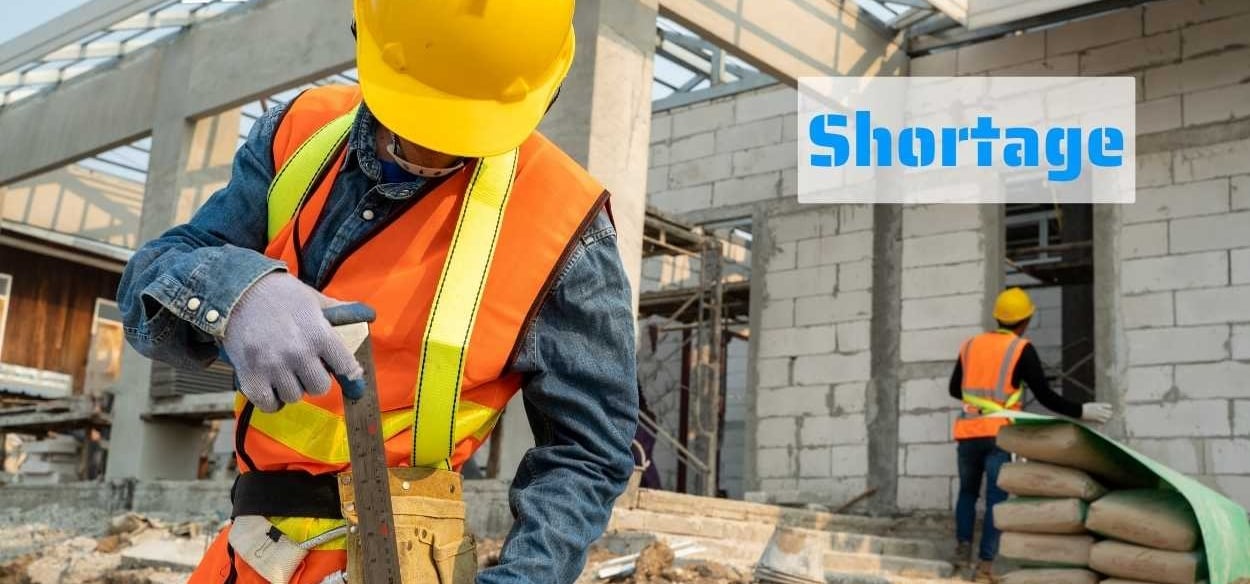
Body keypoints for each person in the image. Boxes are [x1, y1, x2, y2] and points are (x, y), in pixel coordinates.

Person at [117, 2, 639, 583]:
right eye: (418, 125)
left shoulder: (568, 227)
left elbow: (588, 452)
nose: (433, 155)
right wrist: (234, 292)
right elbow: (148, 283)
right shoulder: (298, 133)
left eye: (461, 136)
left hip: (405, 564)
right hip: (248, 558)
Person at [948, 287, 1113, 583]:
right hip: (1000, 435)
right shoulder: (1020, 349)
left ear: (997, 317)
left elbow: (954, 389)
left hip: (968, 432)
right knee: (996, 500)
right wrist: (1081, 411)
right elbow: (1046, 396)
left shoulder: (970, 345)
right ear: (1024, 321)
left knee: (967, 493)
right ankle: (984, 568)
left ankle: (962, 551)